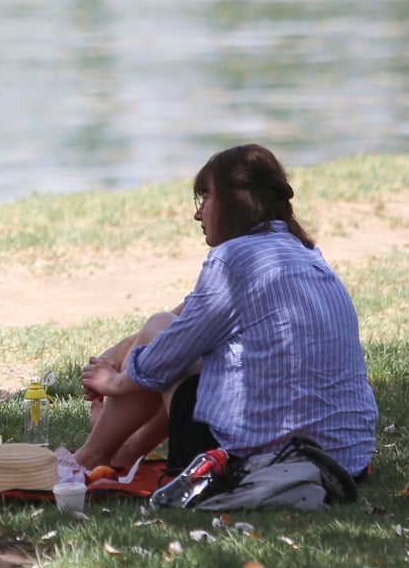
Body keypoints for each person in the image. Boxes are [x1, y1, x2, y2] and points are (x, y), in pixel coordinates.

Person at [76, 144, 378, 479]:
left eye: (205, 198)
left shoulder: (233, 258)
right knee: (179, 343)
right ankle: (126, 451)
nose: (197, 213)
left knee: (163, 332)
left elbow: (169, 347)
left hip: (259, 467)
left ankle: (90, 457)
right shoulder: (306, 255)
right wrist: (114, 354)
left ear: (236, 201)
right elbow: (190, 316)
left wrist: (116, 382)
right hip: (345, 463)